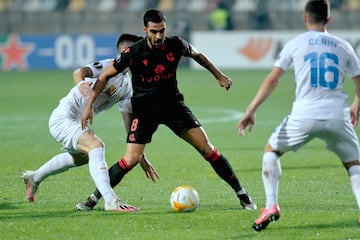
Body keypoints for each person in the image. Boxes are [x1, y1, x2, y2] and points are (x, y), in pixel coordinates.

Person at [79, 8, 256, 211]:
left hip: (173, 107)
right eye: (154, 31)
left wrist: (219, 75)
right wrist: (89, 105)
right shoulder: (133, 52)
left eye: (162, 30)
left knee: (207, 149)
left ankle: (242, 195)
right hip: (145, 111)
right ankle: (93, 198)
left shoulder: (175, 44)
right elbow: (104, 76)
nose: (158, 36)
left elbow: (198, 55)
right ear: (145, 29)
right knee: (131, 159)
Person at [237, 0, 360, 231]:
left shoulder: (295, 44)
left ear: (305, 18)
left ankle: (271, 205)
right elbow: (358, 80)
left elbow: (273, 79)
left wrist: (251, 109)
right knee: (354, 164)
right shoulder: (343, 45)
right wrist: (356, 104)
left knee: (270, 151)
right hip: (337, 115)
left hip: (304, 115)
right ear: (328, 19)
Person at [22, 33, 159, 212]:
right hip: (64, 117)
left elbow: (129, 125)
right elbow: (79, 72)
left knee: (82, 157)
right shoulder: (107, 66)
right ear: (124, 53)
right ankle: (111, 200)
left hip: (78, 123)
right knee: (96, 146)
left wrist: (140, 156)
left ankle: (35, 177)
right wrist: (81, 85)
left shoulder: (127, 85)